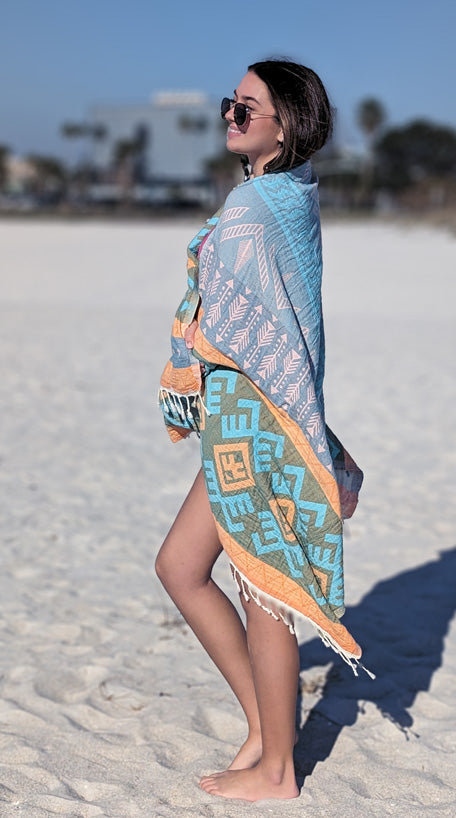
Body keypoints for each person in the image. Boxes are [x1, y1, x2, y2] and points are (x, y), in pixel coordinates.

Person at [155, 59, 368, 803]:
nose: (229, 117)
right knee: (182, 567)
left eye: (246, 109)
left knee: (262, 590)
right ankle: (262, 727)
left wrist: (194, 347)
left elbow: (247, 325)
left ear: (287, 125)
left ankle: (279, 770)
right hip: (240, 412)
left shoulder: (259, 208)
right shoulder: (281, 196)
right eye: (229, 105)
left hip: (258, 414)